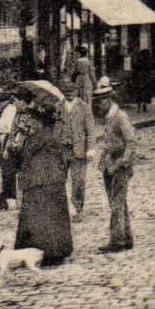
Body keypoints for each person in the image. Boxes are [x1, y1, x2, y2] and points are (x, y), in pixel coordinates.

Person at [11, 102, 73, 265]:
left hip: (42, 182)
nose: (28, 121)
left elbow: (25, 155)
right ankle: (46, 251)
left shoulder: (42, 137)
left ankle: (50, 253)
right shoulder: (43, 135)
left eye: (31, 118)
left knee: (43, 218)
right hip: (45, 181)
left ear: (39, 121)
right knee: (43, 217)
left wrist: (20, 141)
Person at [93, 77, 137, 252]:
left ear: (109, 99)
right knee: (119, 202)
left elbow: (131, 142)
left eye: (101, 100)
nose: (99, 104)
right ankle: (126, 238)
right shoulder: (109, 117)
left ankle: (117, 241)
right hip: (109, 165)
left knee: (116, 203)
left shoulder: (120, 117)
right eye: (98, 101)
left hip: (119, 165)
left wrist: (123, 162)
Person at [60, 80, 91, 216]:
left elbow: (90, 129)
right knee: (58, 179)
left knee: (79, 180)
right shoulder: (58, 106)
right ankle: (61, 208)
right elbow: (54, 128)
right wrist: (61, 139)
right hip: (62, 150)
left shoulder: (84, 107)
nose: (69, 94)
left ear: (77, 92)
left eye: (72, 91)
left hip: (79, 150)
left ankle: (77, 207)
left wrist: (91, 148)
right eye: (66, 91)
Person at [0, 88, 21, 210]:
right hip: (3, 140)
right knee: (4, 172)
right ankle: (3, 200)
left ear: (2, 102)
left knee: (8, 172)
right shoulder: (6, 111)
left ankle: (9, 199)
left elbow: (10, 130)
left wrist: (6, 148)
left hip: (8, 141)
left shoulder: (10, 110)